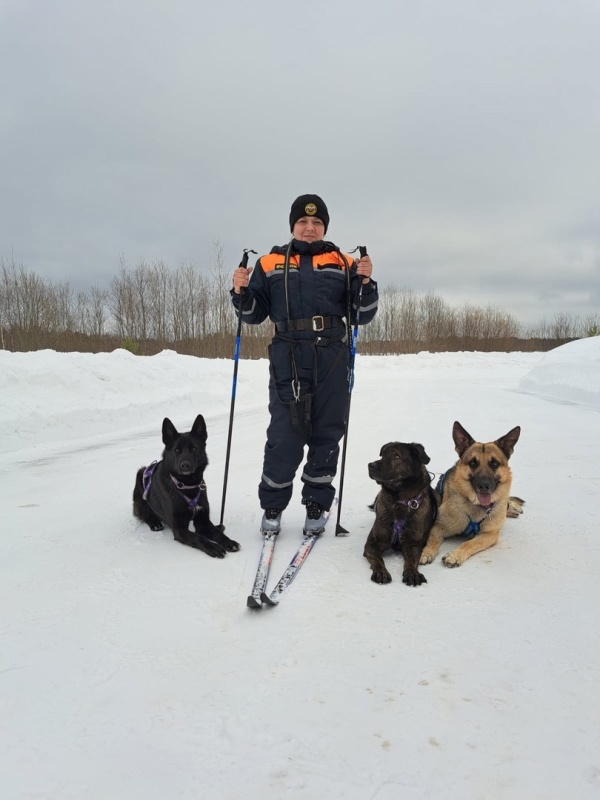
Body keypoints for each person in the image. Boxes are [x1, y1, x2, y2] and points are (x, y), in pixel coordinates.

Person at [231, 194, 378, 534]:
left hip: (333, 355)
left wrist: (366, 283)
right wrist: (240, 292)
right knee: (285, 434)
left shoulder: (344, 261)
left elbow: (362, 316)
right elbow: (253, 315)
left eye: (316, 223)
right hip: (288, 354)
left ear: (324, 227)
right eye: (303, 222)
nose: (309, 228)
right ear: (293, 226)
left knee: (327, 432)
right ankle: (273, 505)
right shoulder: (269, 263)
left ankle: (317, 503)